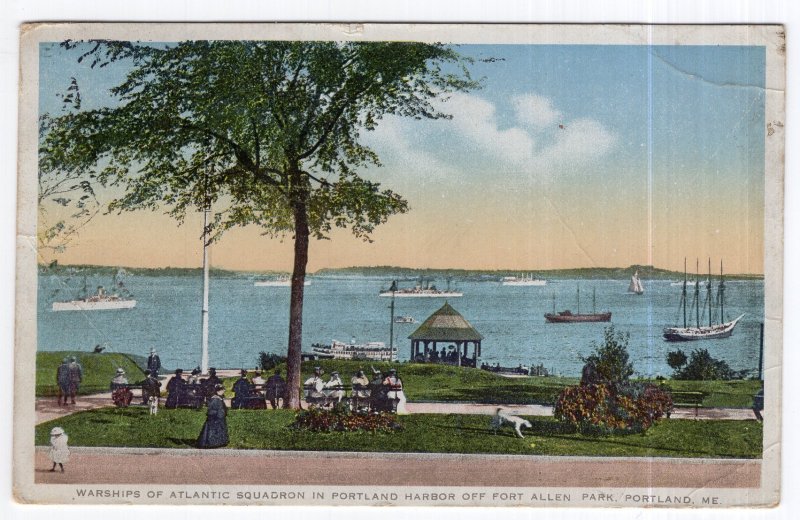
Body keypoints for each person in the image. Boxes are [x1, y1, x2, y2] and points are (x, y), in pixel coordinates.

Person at [197, 384, 229, 449]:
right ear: (219, 391)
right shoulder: (215, 399)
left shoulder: (219, 398)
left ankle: (218, 442)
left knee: (218, 429)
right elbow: (214, 409)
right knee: (213, 430)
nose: (223, 392)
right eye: (223, 390)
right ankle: (212, 443)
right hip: (215, 417)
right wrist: (220, 414)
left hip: (219, 416)